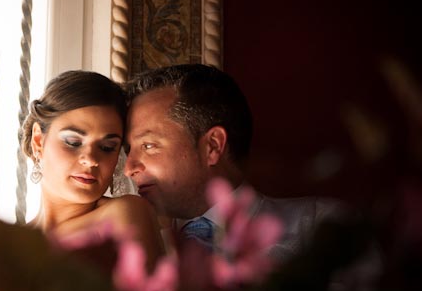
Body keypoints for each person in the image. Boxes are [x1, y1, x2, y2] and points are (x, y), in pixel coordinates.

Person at [122, 63, 341, 261]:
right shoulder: (129, 251)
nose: (128, 169)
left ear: (213, 146)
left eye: (148, 146)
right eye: (128, 149)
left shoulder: (322, 228)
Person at [21, 70, 163, 266]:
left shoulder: (121, 216)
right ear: (38, 140)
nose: (91, 159)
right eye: (73, 142)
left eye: (107, 148)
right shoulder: (10, 245)